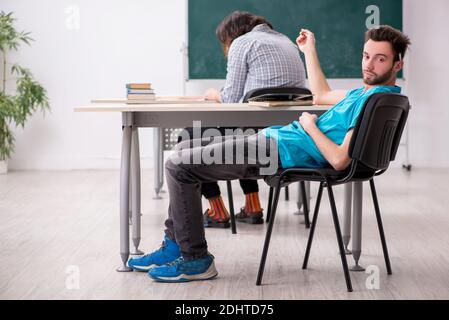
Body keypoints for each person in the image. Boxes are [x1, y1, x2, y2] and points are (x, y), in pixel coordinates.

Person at [128, 25, 411, 282]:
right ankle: (175, 244)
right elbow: (322, 95)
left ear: (398, 63)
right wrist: (309, 50)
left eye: (380, 58)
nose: (369, 65)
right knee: (183, 150)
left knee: (178, 165)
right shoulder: (362, 94)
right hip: (274, 142)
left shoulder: (371, 102)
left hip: (278, 152)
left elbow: (339, 159)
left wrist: (310, 126)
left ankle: (195, 259)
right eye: (366, 56)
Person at [187, 11, 306, 228]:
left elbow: (230, 99)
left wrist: (214, 93)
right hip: (289, 137)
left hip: (256, 139)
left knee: (190, 137)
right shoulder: (287, 41)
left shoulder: (241, 43)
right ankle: (252, 206)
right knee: (244, 128)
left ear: (230, 36)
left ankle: (217, 210)